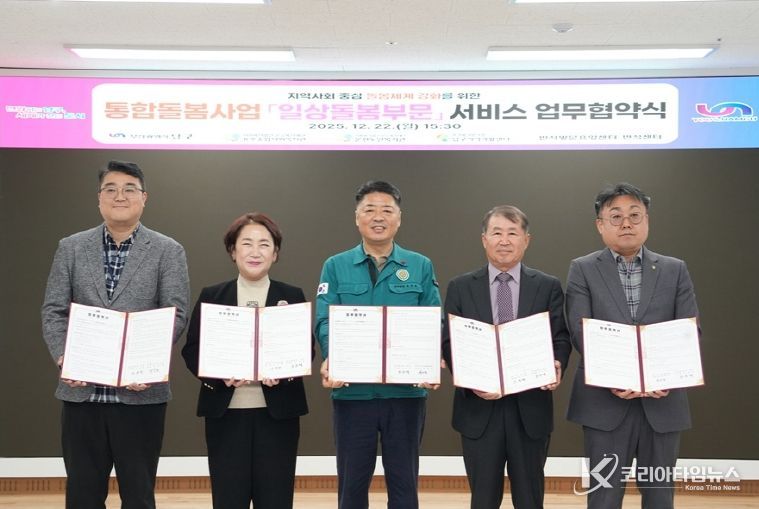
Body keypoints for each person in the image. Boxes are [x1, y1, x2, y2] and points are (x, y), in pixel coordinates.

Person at [41, 160, 190, 509]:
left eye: (129, 189)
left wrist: (146, 363)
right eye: (110, 189)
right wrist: (65, 357)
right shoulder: (71, 247)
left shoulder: (168, 250)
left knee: (138, 496)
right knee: (82, 495)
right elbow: (54, 310)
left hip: (140, 396)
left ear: (144, 198)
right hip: (83, 396)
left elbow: (176, 313)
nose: (119, 196)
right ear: (99, 198)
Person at [566, 182, 700, 509]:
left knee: (659, 497)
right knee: (604, 497)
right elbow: (580, 329)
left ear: (647, 221)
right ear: (600, 225)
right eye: (616, 216)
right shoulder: (582, 269)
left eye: (634, 215)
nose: (626, 223)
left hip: (662, 402)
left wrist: (666, 377)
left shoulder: (674, 269)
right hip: (604, 403)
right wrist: (614, 376)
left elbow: (688, 330)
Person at [315, 180, 441, 509]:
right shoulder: (335, 266)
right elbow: (324, 319)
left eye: (387, 210)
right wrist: (333, 357)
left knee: (404, 486)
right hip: (352, 393)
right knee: (352, 486)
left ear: (399, 218)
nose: (378, 217)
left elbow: (433, 320)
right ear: (357, 218)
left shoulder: (420, 265)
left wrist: (430, 359)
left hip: (405, 394)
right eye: (369, 210)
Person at [441, 205, 571, 509]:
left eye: (512, 233)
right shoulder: (460, 287)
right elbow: (449, 341)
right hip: (478, 409)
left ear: (526, 240)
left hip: (530, 408)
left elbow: (560, 336)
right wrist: (470, 379)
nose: (504, 240)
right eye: (496, 232)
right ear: (484, 239)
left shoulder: (547, 286)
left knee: (530, 499)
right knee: (483, 499)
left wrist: (557, 363)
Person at [182, 212, 310, 509]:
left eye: (264, 244)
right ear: (233, 250)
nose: (255, 252)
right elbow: (192, 349)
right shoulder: (213, 296)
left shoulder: (291, 295)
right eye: (247, 243)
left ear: (275, 253)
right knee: (229, 499)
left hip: (278, 416)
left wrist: (285, 372)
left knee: (276, 500)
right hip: (226, 415)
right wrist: (218, 375)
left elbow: (306, 349)